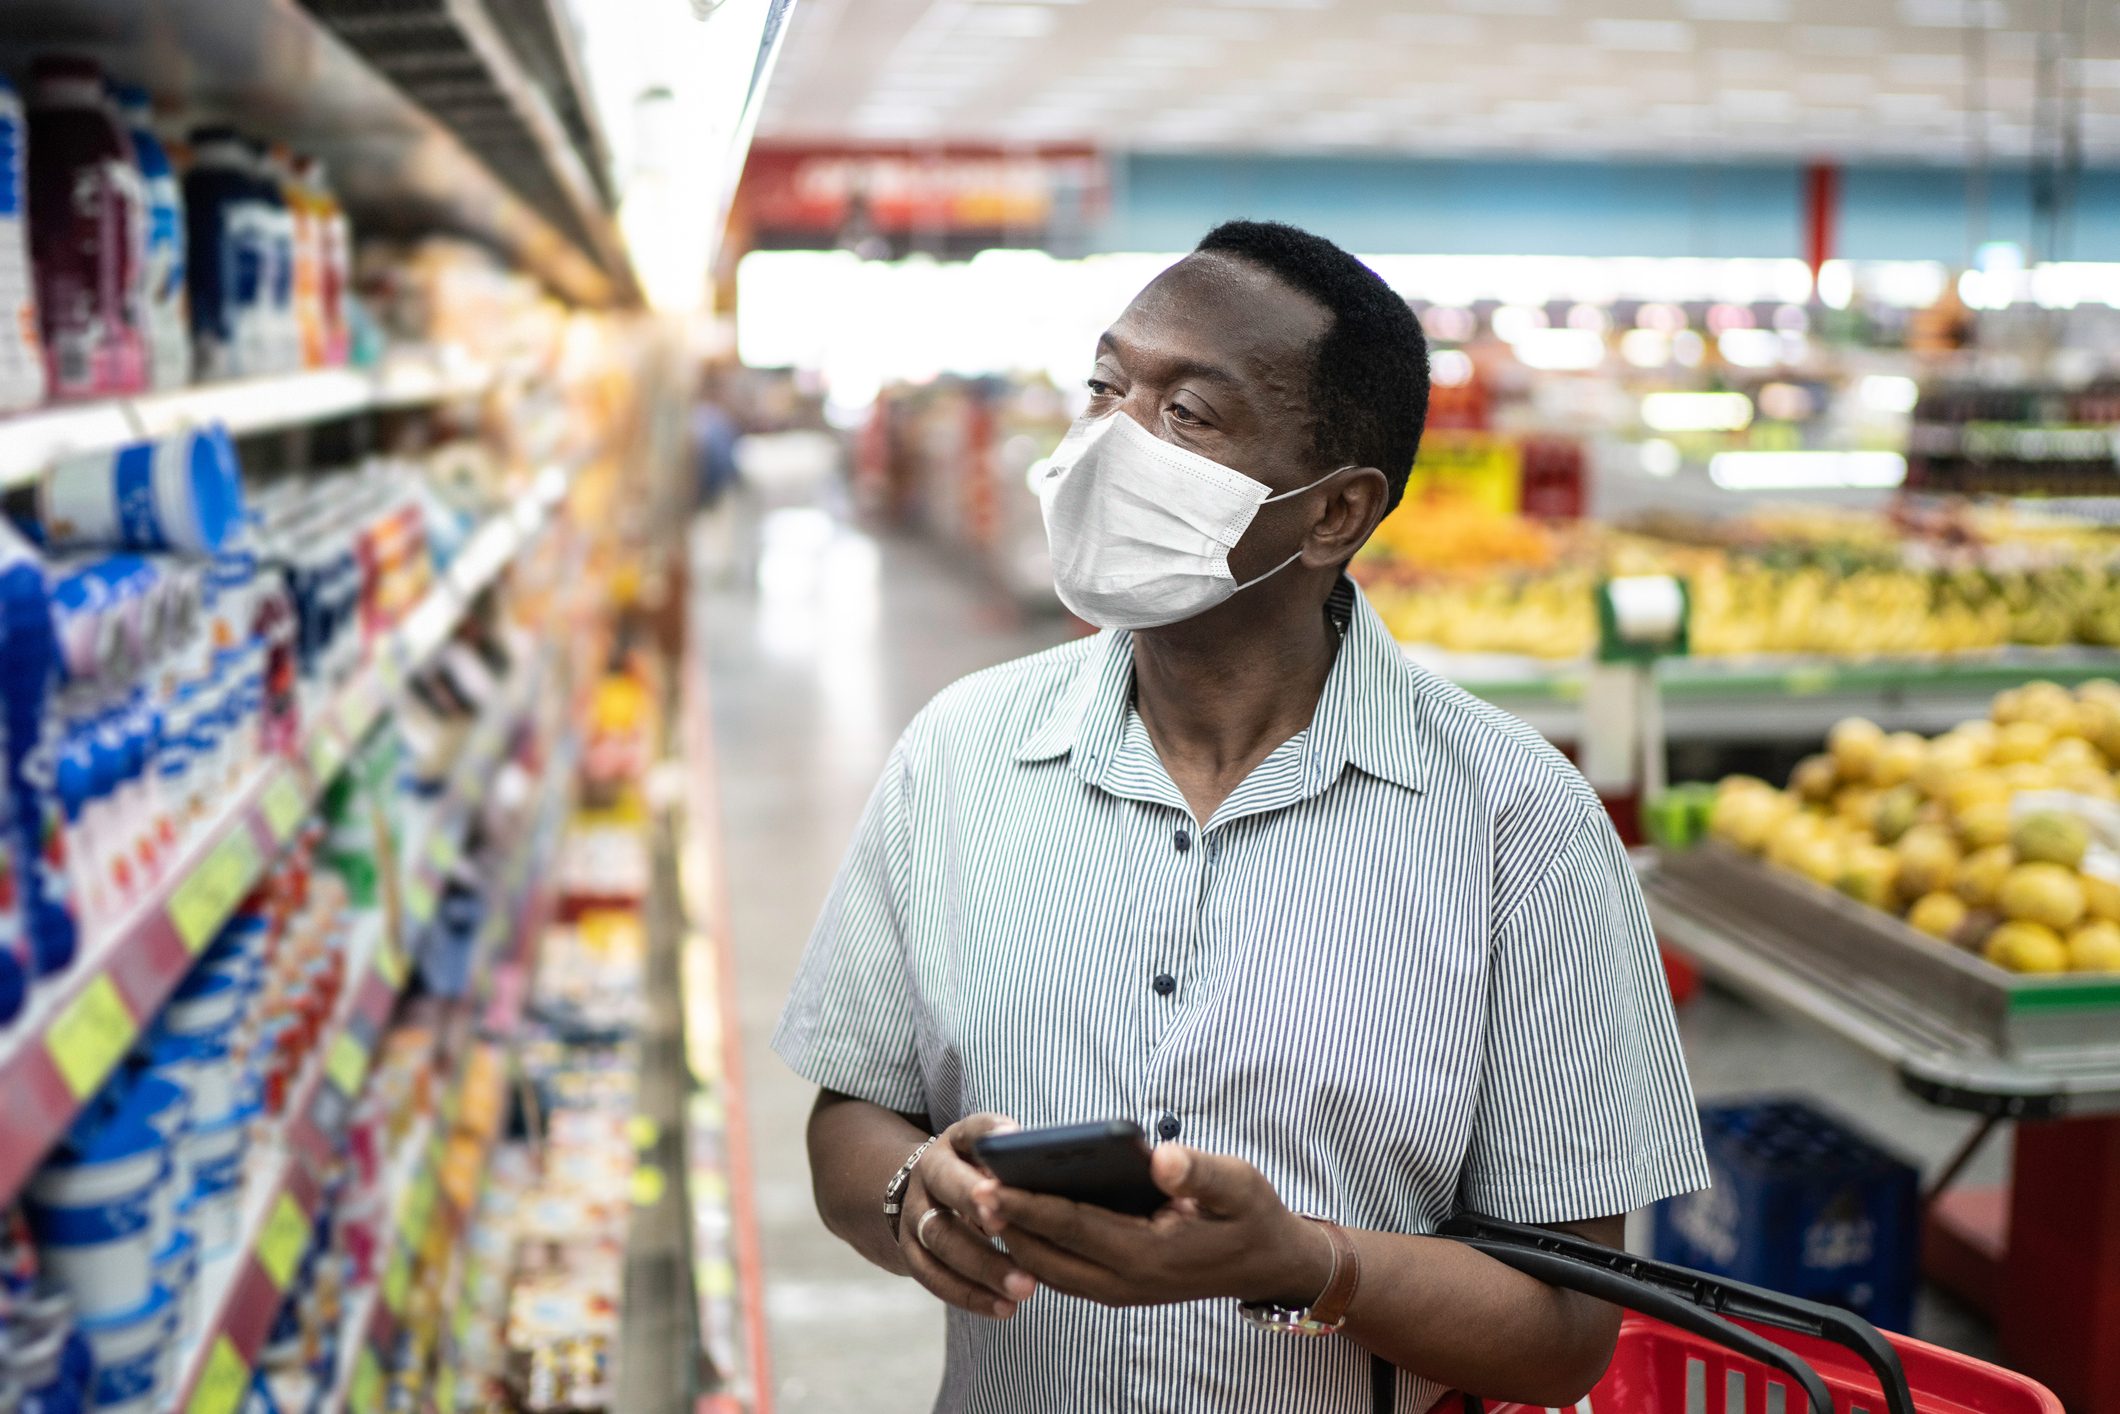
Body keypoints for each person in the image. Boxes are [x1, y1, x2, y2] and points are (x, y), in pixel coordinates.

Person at [773, 220, 1708, 1413]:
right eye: (1104, 387)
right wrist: (913, 1189)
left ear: (1333, 514)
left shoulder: (1514, 827)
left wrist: (1307, 1264)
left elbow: (1569, 1325)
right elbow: (850, 1109)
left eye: (1188, 415)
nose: (1111, 440)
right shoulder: (961, 753)